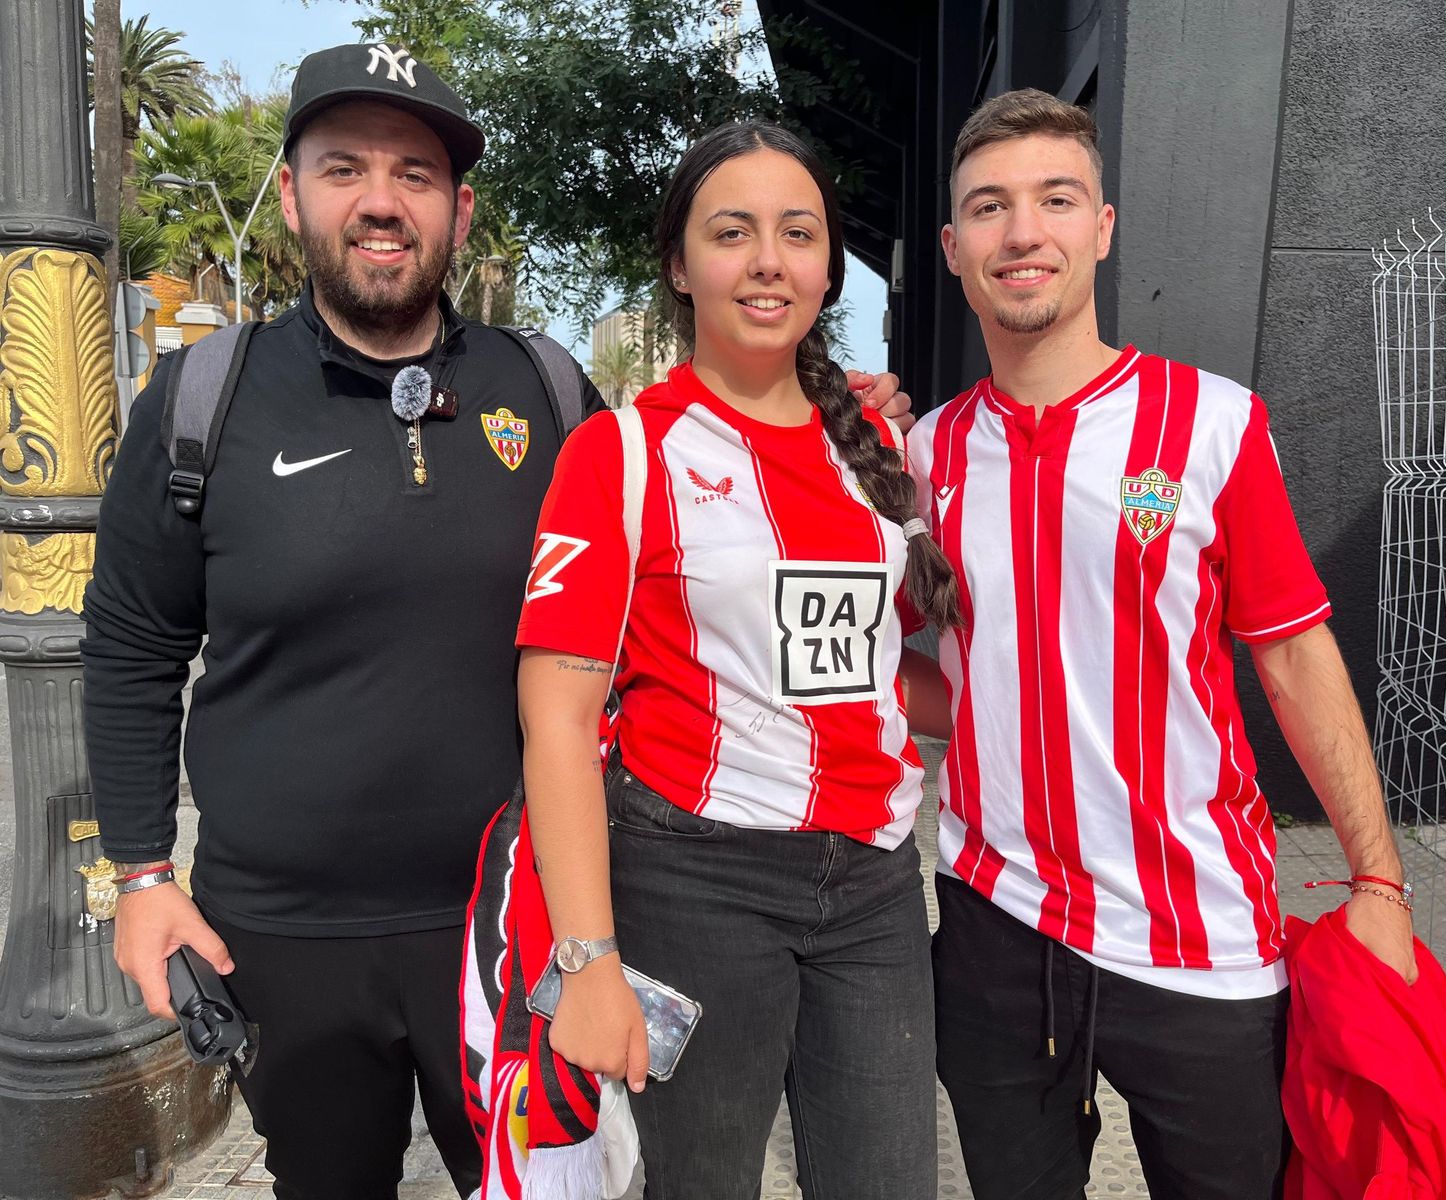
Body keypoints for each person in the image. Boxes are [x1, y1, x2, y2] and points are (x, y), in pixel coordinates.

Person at [82, 44, 909, 1198]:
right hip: (286, 937)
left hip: (513, 927)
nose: (381, 201)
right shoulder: (202, 404)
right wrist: (136, 877)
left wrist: (837, 419)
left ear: (459, 210)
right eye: (345, 169)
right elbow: (128, 644)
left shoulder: (552, 392)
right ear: (291, 193)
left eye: (415, 174)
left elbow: (689, 544)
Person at [908, 89, 1417, 1200]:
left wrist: (1378, 879)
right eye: (988, 208)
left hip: (1202, 941)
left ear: (1102, 226)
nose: (1022, 232)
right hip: (997, 933)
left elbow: (1294, 656)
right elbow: (926, 679)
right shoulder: (924, 456)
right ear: (952, 248)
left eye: (1055, 198)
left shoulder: (1212, 424)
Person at [512, 120, 957, 1200]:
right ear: (679, 262)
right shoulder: (622, 451)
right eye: (732, 231)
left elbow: (894, 667)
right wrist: (588, 962)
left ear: (827, 263)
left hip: (877, 884)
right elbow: (558, 725)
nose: (769, 261)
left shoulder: (880, 448)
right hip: (691, 879)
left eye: (798, 233)